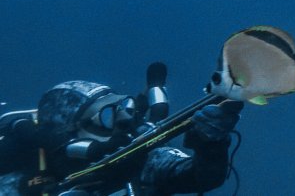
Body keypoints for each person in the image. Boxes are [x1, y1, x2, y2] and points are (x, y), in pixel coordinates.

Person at [0, 81, 240, 196]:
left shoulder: (141, 157)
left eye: (124, 106)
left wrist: (211, 144)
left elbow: (200, 177)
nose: (124, 120)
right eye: (106, 116)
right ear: (69, 132)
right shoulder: (21, 166)